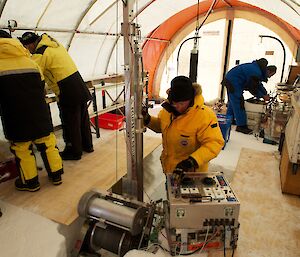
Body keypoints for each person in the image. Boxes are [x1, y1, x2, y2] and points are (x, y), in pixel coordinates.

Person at [0, 30, 63, 192]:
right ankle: (56, 175)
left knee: (23, 149)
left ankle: (30, 182)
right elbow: (41, 86)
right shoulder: (30, 61)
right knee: (48, 143)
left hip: (15, 114)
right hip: (39, 111)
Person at [19, 32, 93, 160]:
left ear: (30, 44)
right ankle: (87, 146)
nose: (27, 50)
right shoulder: (54, 45)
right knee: (82, 119)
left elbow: (33, 74)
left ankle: (74, 152)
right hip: (79, 84)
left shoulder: (40, 53)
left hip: (67, 89)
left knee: (70, 122)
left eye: (26, 47)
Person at [143, 75, 224, 177]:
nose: (177, 106)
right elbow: (161, 126)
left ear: (190, 100)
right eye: (174, 103)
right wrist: (148, 120)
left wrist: (192, 161)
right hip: (170, 169)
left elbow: (214, 143)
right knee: (171, 192)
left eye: (181, 103)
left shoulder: (204, 115)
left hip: (192, 174)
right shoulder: (167, 111)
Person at [222, 58, 277, 134]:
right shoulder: (256, 72)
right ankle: (241, 126)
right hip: (233, 81)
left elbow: (258, 84)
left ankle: (228, 120)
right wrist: (262, 96)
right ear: (268, 71)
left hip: (231, 79)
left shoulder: (258, 70)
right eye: (271, 75)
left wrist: (265, 93)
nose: (270, 77)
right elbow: (252, 87)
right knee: (238, 102)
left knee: (233, 102)